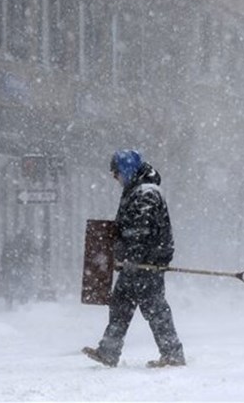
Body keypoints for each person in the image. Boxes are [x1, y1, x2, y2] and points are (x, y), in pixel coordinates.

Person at [83, 150, 185, 368]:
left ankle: (173, 355)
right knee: (121, 305)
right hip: (136, 264)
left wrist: (132, 257)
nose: (114, 177)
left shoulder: (146, 193)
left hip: (145, 264)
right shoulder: (137, 190)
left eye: (116, 172)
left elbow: (139, 231)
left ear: (127, 169)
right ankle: (108, 352)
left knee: (155, 309)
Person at [0, 231, 35, 309]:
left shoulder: (11, 246)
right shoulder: (25, 246)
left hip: (14, 268)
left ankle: (11, 301)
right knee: (23, 284)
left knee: (13, 285)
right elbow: (31, 254)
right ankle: (22, 302)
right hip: (20, 268)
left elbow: (4, 258)